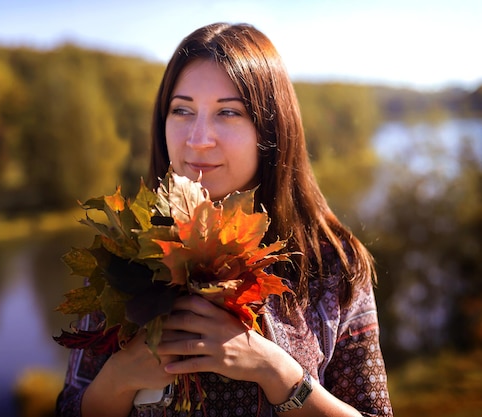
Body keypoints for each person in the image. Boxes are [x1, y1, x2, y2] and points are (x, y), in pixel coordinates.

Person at [56, 22, 393, 417]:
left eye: (228, 112)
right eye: (181, 110)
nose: (198, 138)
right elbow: (71, 407)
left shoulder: (332, 264)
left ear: (271, 128)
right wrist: (119, 377)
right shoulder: (127, 252)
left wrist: (279, 375)